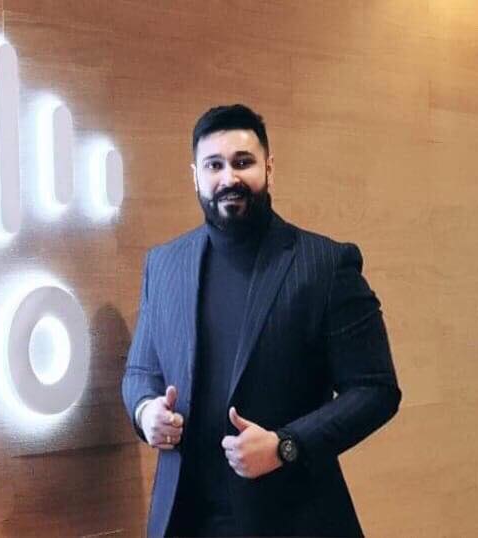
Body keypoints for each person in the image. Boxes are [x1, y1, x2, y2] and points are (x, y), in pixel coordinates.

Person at [122, 104, 401, 537]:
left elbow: (376, 389)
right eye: (214, 165)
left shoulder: (326, 264)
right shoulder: (163, 265)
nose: (228, 177)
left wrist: (285, 445)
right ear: (194, 175)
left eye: (243, 162)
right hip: (185, 520)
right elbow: (141, 371)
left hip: (296, 519)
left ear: (269, 168)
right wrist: (145, 412)